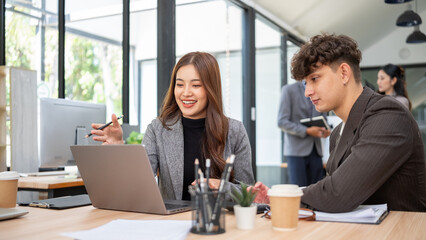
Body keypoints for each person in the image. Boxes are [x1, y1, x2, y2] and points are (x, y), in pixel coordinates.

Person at [251, 34, 426, 212]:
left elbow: (337, 193)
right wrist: (275, 197)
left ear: (344, 73)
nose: (307, 92)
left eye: (314, 79)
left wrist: (280, 198)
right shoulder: (337, 133)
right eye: (305, 83)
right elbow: (332, 186)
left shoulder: (388, 115)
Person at [90, 51, 255, 201]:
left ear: (211, 89)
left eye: (196, 85)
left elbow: (249, 193)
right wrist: (119, 148)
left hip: (218, 225)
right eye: (180, 84)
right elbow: (138, 182)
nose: (186, 93)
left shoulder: (234, 131)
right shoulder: (157, 129)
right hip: (171, 225)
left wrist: (221, 186)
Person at [278, 82, 330, 187]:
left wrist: (325, 130)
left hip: (316, 151)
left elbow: (323, 117)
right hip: (296, 151)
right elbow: (282, 122)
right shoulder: (288, 90)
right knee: (299, 191)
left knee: (318, 189)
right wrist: (307, 131)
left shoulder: (320, 90)